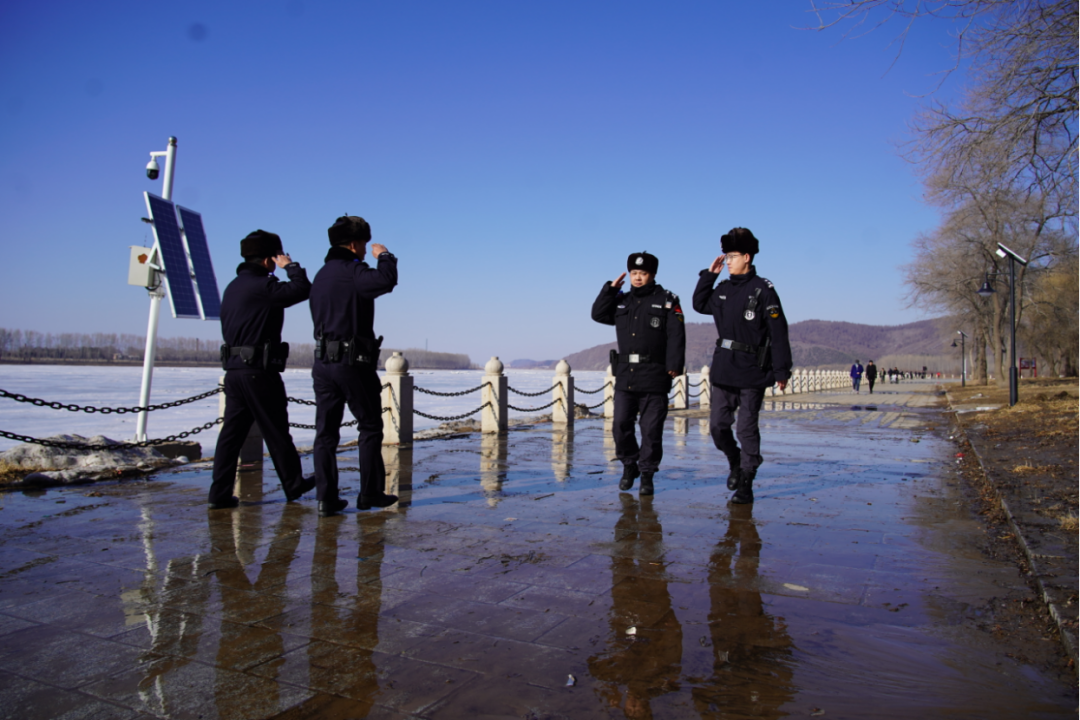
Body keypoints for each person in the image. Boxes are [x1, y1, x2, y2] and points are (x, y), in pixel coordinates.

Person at [208, 230, 314, 510]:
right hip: (258, 372)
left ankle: (219, 493)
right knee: (277, 430)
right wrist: (290, 266)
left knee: (230, 436)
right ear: (269, 259)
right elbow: (303, 289)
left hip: (234, 373)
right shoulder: (263, 285)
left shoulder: (233, 287)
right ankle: (293, 483)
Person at [693, 227, 792, 504]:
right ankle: (734, 459)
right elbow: (699, 304)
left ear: (747, 257)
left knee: (746, 429)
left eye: (732, 256)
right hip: (725, 368)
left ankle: (746, 481)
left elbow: (778, 332)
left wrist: (782, 369)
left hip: (752, 371)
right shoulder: (723, 289)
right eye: (726, 256)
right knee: (717, 427)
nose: (727, 261)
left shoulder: (763, 290)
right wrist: (709, 276)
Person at [309, 215, 398, 517]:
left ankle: (326, 498)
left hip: (322, 363)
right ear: (353, 244)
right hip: (351, 363)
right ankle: (369, 492)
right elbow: (385, 281)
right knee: (370, 426)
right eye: (362, 245)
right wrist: (384, 256)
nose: (364, 250)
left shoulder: (321, 275)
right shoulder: (354, 271)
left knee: (325, 433)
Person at [591, 252, 686, 495]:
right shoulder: (622, 301)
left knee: (651, 430)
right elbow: (598, 314)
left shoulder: (667, 300)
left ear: (652, 275)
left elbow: (676, 334)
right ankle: (629, 465)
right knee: (620, 425)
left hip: (654, 375)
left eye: (643, 273)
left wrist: (674, 364)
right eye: (634, 273)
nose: (638, 278)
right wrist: (610, 290)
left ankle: (647, 474)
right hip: (626, 377)